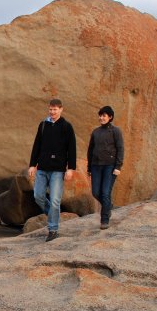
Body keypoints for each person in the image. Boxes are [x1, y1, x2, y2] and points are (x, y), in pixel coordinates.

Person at [27, 98, 77, 242]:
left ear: (61, 109)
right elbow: (36, 146)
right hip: (42, 168)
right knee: (38, 196)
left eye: (55, 109)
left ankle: (53, 229)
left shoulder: (66, 126)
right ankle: (53, 215)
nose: (52, 112)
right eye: (50, 109)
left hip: (58, 170)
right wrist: (32, 165)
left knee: (55, 201)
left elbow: (71, 148)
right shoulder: (43, 125)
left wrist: (70, 168)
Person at [87, 105, 124, 230]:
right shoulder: (96, 132)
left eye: (104, 116)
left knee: (105, 192)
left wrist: (118, 166)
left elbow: (120, 148)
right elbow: (90, 150)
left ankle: (104, 219)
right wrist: (89, 168)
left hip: (110, 166)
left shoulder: (116, 131)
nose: (101, 118)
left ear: (110, 117)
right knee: (96, 192)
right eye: (100, 115)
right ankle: (108, 206)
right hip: (96, 166)